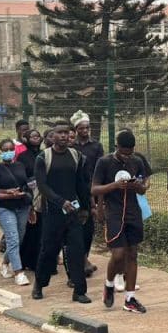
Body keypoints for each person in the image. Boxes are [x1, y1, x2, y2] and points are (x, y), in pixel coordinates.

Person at [92, 129, 151, 313]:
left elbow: (143, 188)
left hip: (133, 212)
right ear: (116, 147)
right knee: (118, 254)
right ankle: (109, 284)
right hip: (114, 213)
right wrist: (114, 186)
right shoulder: (104, 162)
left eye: (130, 152)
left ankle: (130, 298)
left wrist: (138, 185)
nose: (127, 156)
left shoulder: (137, 161)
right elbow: (94, 189)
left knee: (132, 253)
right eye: (123, 152)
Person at [33, 125, 91, 303]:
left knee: (76, 250)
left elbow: (80, 183)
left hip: (73, 212)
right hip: (53, 212)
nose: (64, 136)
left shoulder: (76, 156)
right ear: (52, 137)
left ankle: (79, 291)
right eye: (60, 133)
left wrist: (85, 208)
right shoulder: (43, 157)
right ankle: (39, 284)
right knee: (48, 251)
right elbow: (42, 186)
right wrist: (60, 202)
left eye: (67, 133)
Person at [0, 137, 32, 286]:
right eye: (5, 150)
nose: (8, 152)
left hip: (22, 206)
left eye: (11, 149)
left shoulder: (20, 166)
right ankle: (19, 272)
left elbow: (26, 185)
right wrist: (7, 193)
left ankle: (5, 262)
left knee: (19, 237)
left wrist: (30, 206)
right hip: (5, 207)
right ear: (0, 152)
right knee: (13, 238)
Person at [74, 113, 104, 278]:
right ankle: (81, 260)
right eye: (81, 128)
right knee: (78, 225)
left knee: (89, 228)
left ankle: (85, 257)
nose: (85, 130)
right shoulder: (72, 146)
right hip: (77, 188)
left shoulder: (96, 146)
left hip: (92, 187)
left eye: (87, 127)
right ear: (76, 129)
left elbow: (100, 167)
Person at [17, 128, 43, 272]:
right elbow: (22, 177)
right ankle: (27, 260)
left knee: (42, 230)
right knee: (31, 229)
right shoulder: (22, 157)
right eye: (32, 136)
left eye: (37, 136)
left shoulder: (44, 154)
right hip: (30, 195)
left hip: (44, 195)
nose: (36, 138)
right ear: (26, 139)